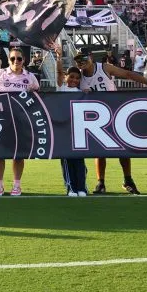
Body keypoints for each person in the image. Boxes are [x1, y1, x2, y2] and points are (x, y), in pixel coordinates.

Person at [72, 46, 147, 195]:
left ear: (91, 57)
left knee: (123, 149)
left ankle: (128, 180)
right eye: (78, 59)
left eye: (84, 58)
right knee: (99, 151)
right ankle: (101, 182)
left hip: (114, 111)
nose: (81, 62)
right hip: (96, 117)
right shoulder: (78, 77)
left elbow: (127, 74)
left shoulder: (104, 67)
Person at [0, 45, 40, 196]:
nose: (16, 61)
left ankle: (16, 185)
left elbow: (37, 95)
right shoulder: (0, 73)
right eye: (13, 58)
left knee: (18, 154)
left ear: (24, 60)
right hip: (1, 120)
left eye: (19, 58)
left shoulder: (30, 77)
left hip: (21, 121)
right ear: (8, 60)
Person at [54, 57, 88, 197]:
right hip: (64, 131)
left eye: (77, 78)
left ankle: (82, 187)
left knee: (79, 160)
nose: (74, 80)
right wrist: (58, 57)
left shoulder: (81, 92)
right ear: (66, 76)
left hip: (78, 131)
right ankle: (71, 188)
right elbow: (58, 72)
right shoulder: (61, 88)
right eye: (71, 77)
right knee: (67, 160)